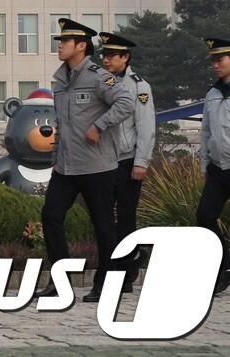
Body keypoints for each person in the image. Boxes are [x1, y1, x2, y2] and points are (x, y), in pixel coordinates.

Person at [35, 19, 134, 303]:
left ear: (81, 46)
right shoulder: (59, 79)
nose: (59, 45)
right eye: (59, 41)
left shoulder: (98, 76)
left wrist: (100, 125)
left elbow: (126, 102)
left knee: (103, 225)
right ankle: (60, 280)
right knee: (50, 216)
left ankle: (105, 284)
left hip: (96, 166)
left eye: (64, 42)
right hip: (66, 166)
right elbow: (62, 122)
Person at [99, 31, 155, 292]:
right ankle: (112, 267)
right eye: (104, 55)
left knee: (125, 217)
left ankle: (127, 272)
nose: (106, 60)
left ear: (125, 57)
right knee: (102, 218)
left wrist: (141, 161)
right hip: (102, 160)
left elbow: (146, 127)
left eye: (112, 55)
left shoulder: (139, 86)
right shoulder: (101, 82)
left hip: (127, 159)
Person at [197, 36, 230, 294]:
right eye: (213, 61)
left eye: (220, 59)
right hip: (218, 170)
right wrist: (205, 165)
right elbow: (206, 132)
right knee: (205, 216)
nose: (215, 65)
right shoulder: (212, 94)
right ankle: (224, 264)